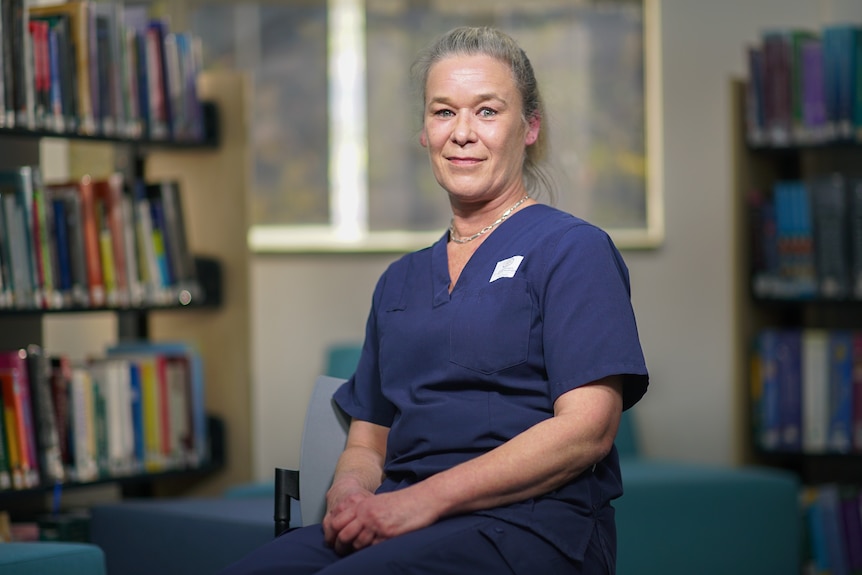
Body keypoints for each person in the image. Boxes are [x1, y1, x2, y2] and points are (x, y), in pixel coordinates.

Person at [221, 25, 648, 575]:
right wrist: (351, 492)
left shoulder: (573, 250)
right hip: (400, 516)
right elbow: (368, 440)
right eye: (443, 112)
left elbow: (587, 429)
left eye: (488, 111)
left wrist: (420, 502)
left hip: (526, 527)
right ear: (424, 132)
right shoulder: (400, 281)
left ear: (531, 126)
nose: (462, 133)